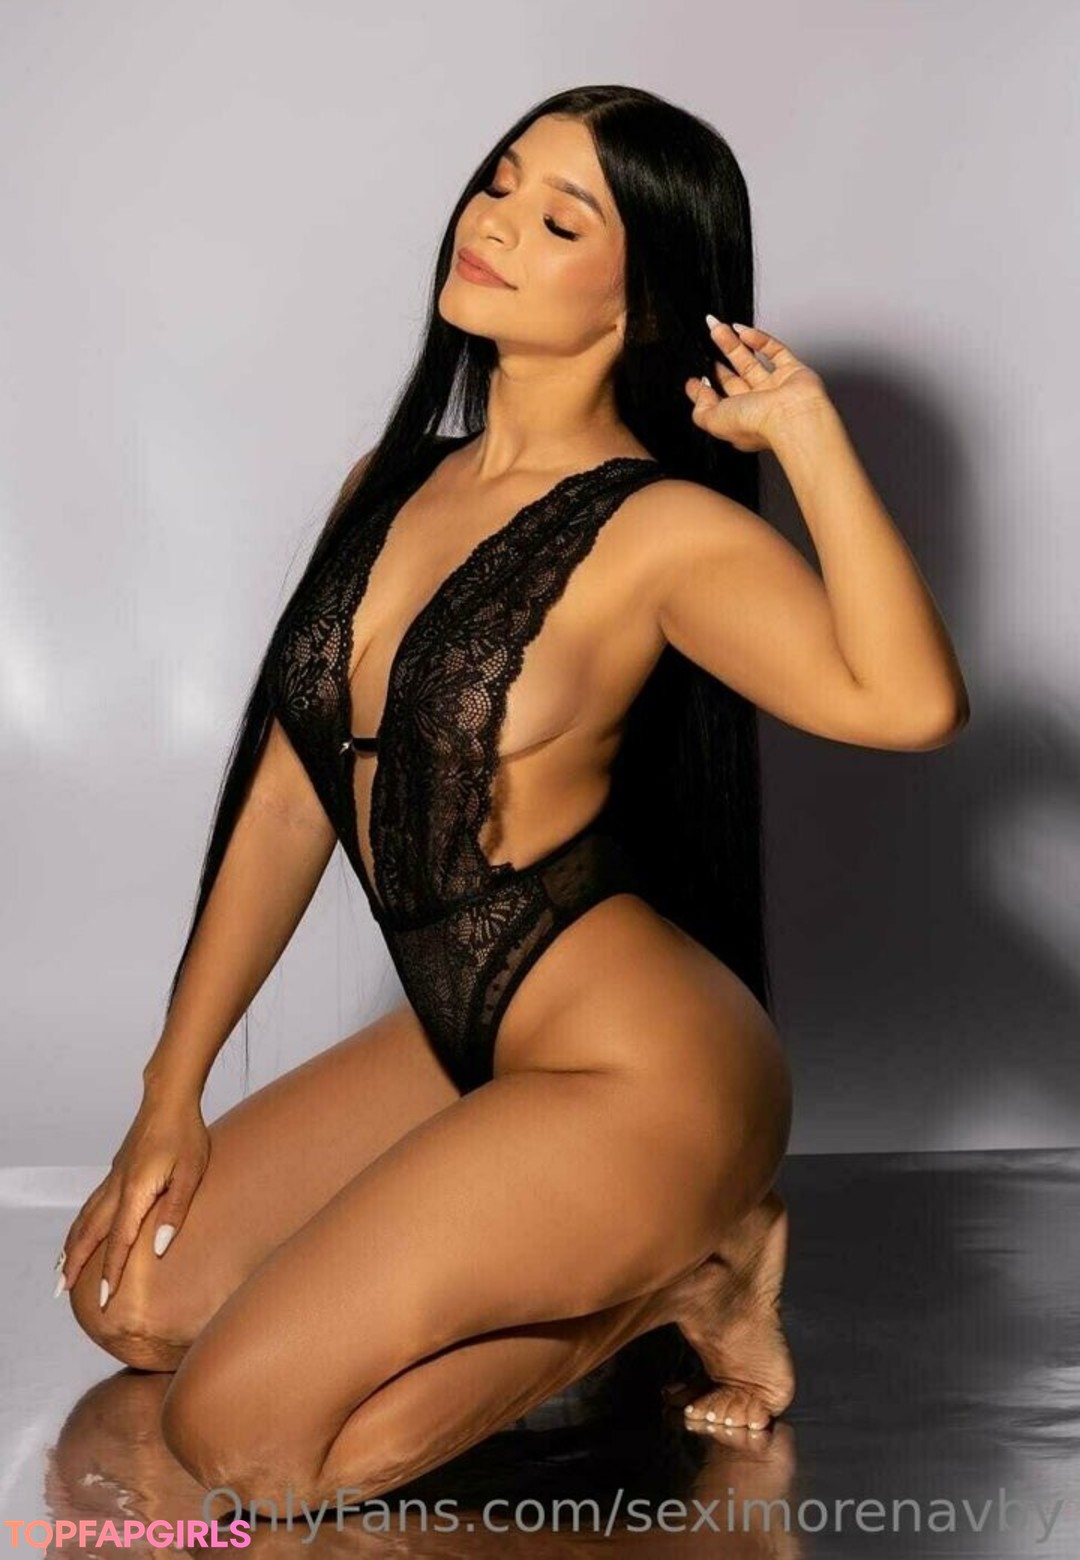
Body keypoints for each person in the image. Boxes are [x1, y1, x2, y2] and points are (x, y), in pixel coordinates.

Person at [54, 84, 969, 1508]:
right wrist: (170, 1093)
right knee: (127, 1301)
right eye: (498, 184)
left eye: (561, 220)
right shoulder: (386, 482)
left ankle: (691, 1271)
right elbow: (292, 801)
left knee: (244, 1443)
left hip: (643, 1070)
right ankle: (637, 1251)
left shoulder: (660, 528)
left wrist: (805, 434)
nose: (494, 225)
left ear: (642, 302)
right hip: (459, 1039)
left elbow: (910, 706)